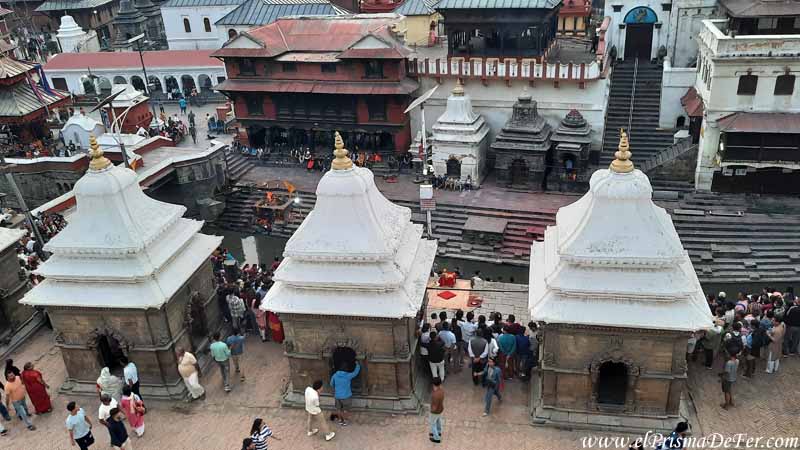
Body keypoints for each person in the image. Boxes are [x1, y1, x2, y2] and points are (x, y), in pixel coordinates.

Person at [330, 362, 360, 426]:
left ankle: (340, 420)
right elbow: (355, 372)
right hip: (346, 396)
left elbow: (331, 384)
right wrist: (357, 365)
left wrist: (334, 391)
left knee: (338, 409)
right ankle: (345, 421)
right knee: (345, 410)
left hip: (337, 396)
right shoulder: (348, 375)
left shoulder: (335, 375)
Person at [429, 377, 444, 444]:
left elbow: (434, 406)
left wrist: (431, 410)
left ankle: (436, 438)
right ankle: (439, 432)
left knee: (433, 424)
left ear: (433, 384)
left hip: (435, 412)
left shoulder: (435, 394)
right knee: (438, 421)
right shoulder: (441, 390)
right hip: (440, 409)